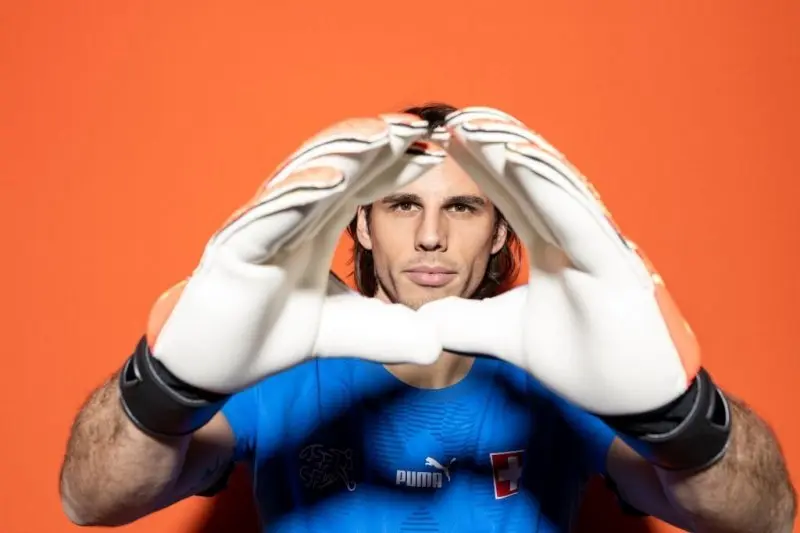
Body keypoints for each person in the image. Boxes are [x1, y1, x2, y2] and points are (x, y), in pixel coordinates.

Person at [59, 103, 796, 533]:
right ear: (363, 225)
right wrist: (167, 387)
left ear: (501, 232)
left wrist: (678, 416)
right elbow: (91, 499)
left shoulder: (569, 373)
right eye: (403, 205)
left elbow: (765, 517)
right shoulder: (275, 366)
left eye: (464, 207)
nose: (432, 236)